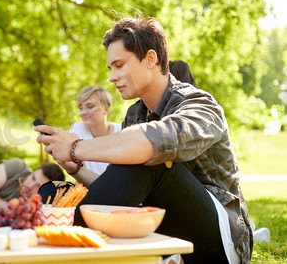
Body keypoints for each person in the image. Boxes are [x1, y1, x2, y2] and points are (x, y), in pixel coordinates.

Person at [35, 16, 252, 264]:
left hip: (220, 240)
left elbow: (150, 145)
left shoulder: (199, 105)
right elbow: (121, 189)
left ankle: (61, 237)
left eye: (119, 65)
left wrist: (75, 148)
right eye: (110, 68)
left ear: (150, 59)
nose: (112, 77)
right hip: (163, 225)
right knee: (53, 191)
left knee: (153, 158)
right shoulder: (135, 114)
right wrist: (76, 168)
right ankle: (59, 228)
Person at [69, 86, 121, 175]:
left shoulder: (121, 131)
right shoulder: (78, 129)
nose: (83, 112)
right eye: (81, 108)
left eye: (90, 106)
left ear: (106, 108)